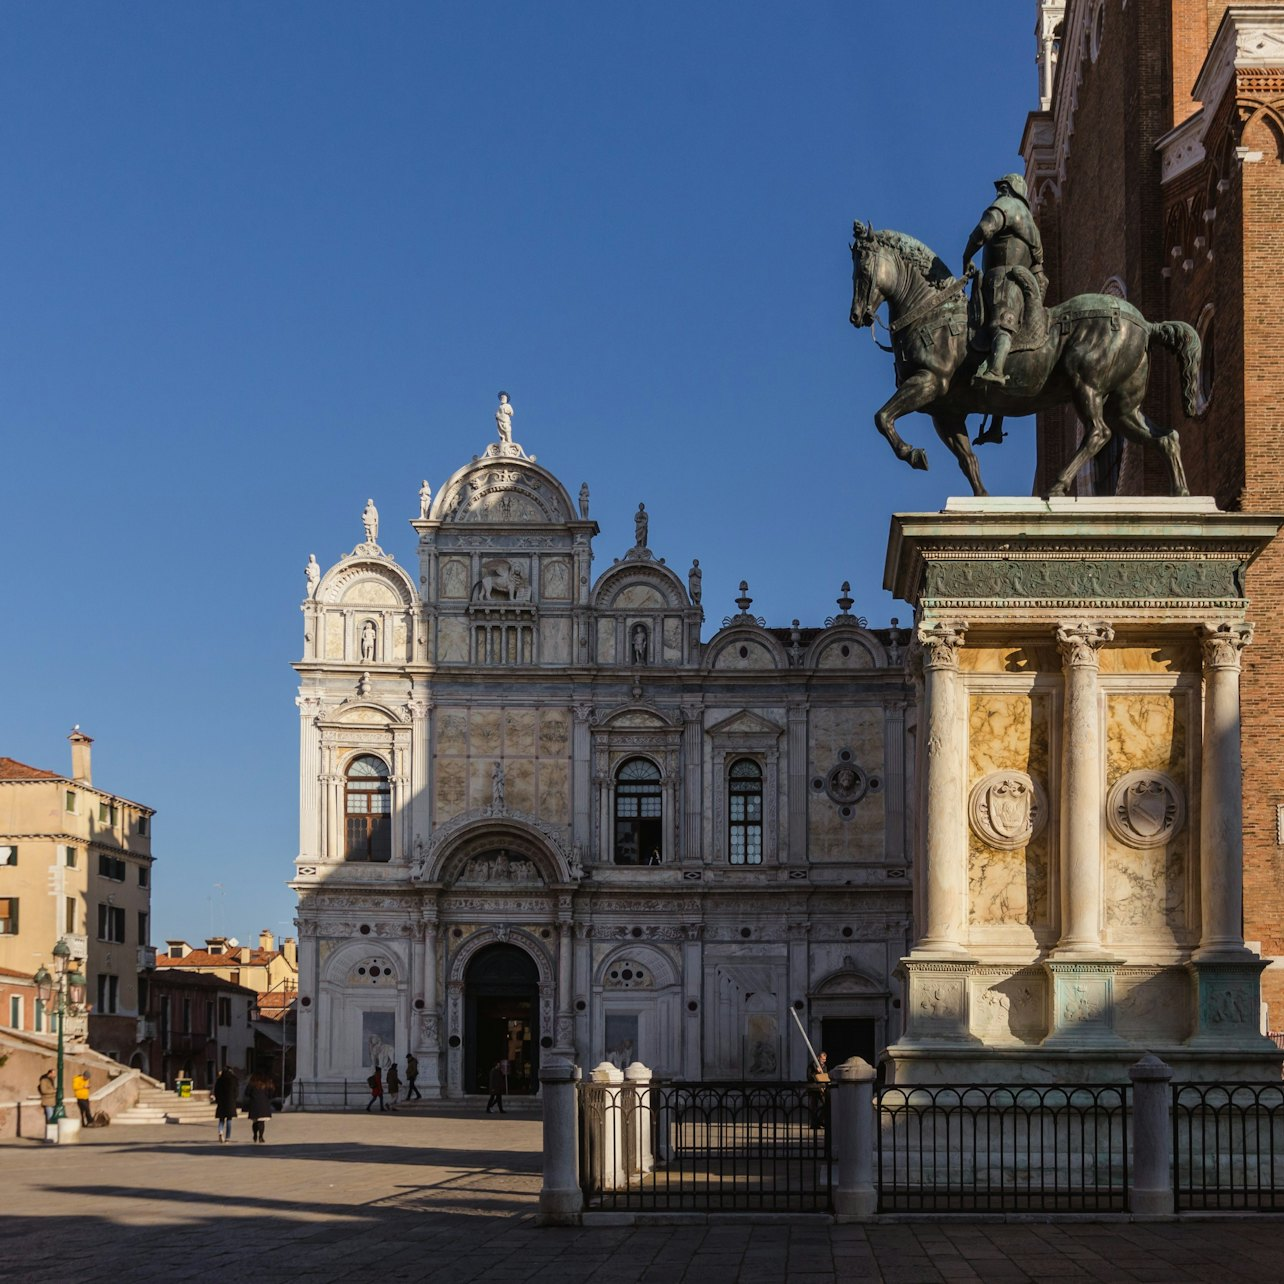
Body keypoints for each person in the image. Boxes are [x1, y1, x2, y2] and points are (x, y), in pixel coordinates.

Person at [961, 173, 1047, 388]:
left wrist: (967, 256)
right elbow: (1039, 273)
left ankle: (995, 370)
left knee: (1002, 322)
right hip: (1022, 282)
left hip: (1003, 278)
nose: (999, 192)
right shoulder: (1033, 227)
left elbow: (985, 229)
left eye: (1003, 187)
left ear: (1011, 190)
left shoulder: (1007, 205)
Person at [212, 1067, 239, 1143]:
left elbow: (216, 1091)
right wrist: (234, 1099)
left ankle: (220, 1132)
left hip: (221, 1102)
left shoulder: (219, 1080)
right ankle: (227, 1137)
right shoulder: (233, 1080)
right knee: (229, 1120)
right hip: (230, 1102)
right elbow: (236, 1092)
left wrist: (218, 1100)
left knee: (221, 1119)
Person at [246, 1074, 273, 1144]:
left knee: (255, 1121)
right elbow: (270, 1095)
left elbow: (247, 1093)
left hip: (254, 1105)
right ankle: (261, 1136)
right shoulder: (266, 1085)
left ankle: (255, 1135)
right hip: (263, 1105)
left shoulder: (251, 1085)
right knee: (261, 1122)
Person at [808, 1051, 830, 1130]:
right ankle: (814, 1124)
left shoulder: (824, 1067)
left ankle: (819, 1121)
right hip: (814, 1089)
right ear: (818, 1058)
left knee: (826, 1105)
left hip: (821, 1089)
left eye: (825, 1059)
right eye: (823, 1059)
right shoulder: (811, 1066)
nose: (824, 1061)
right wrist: (816, 1072)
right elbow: (809, 1077)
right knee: (814, 1107)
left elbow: (825, 1076)